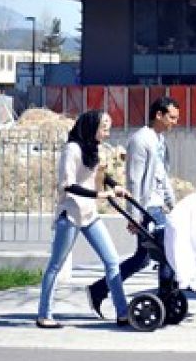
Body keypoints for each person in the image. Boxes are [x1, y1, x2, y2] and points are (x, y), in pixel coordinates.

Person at [87, 97, 180, 317]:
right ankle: (165, 299)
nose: (175, 122)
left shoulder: (160, 141)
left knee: (143, 258)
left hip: (158, 207)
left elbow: (162, 175)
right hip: (148, 208)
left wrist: (172, 203)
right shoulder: (140, 140)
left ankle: (98, 289)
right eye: (172, 117)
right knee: (168, 253)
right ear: (158, 115)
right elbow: (135, 180)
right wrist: (134, 215)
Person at [37, 110, 130, 329]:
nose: (107, 133)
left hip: (89, 215)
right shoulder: (72, 149)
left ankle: (123, 312)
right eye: (104, 128)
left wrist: (115, 185)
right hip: (71, 214)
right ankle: (44, 315)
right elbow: (68, 185)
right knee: (55, 265)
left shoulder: (92, 148)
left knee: (112, 260)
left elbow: (96, 174)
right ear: (91, 127)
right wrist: (99, 195)